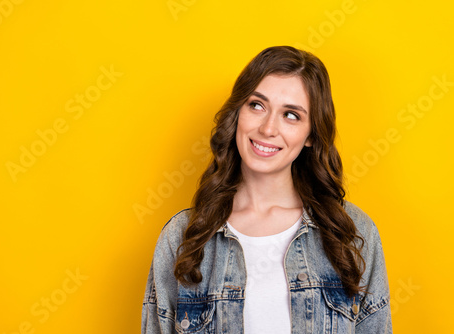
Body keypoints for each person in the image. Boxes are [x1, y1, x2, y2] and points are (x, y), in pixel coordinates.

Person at [142, 46, 392, 333]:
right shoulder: (182, 237)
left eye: (291, 115)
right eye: (257, 105)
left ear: (311, 134)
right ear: (238, 112)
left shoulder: (353, 232)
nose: (268, 128)